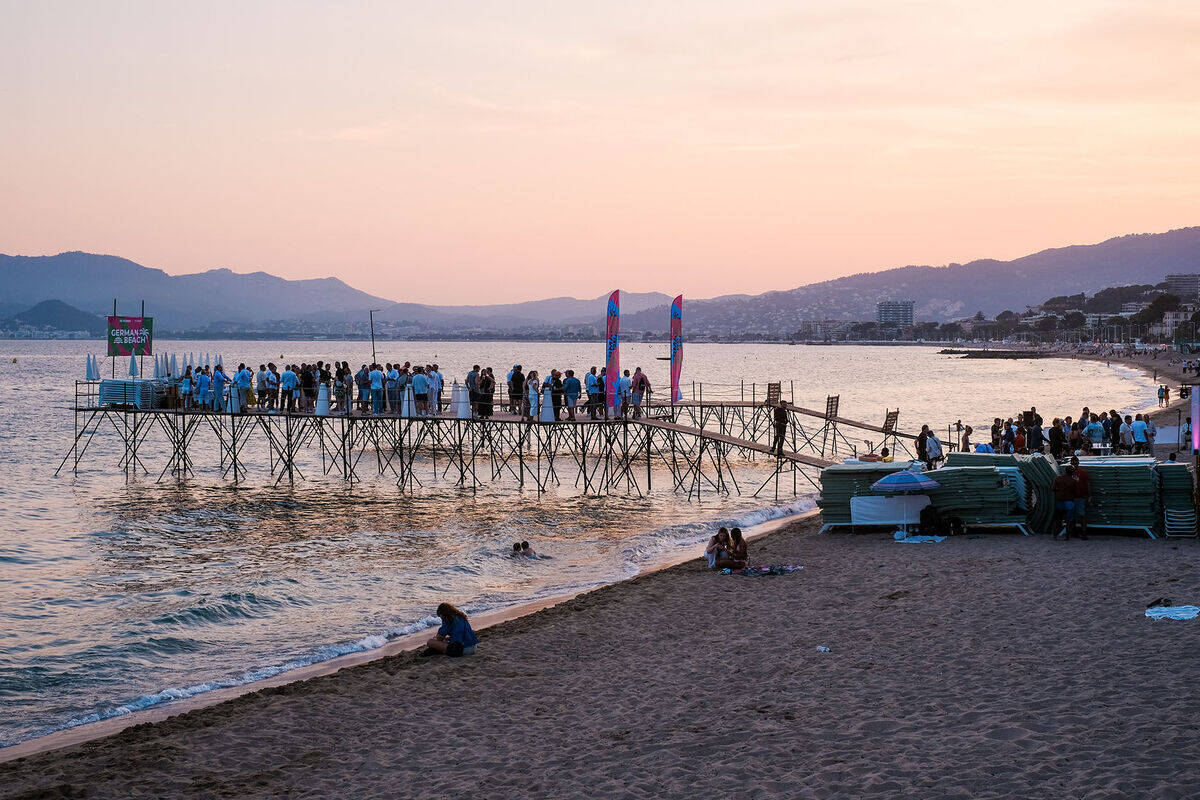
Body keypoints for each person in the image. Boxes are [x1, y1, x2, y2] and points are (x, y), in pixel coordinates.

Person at [1052, 465, 1078, 540]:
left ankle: (1055, 535)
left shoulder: (1058, 479)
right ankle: (1067, 535)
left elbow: (1053, 488)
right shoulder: (1073, 481)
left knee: (1057, 519)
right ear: (1072, 472)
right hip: (1069, 501)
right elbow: (1076, 492)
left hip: (1059, 501)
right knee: (1069, 520)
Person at [1070, 455, 1090, 540]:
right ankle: (1074, 531)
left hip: (1080, 497)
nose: (1074, 464)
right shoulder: (1069, 473)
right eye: (1073, 462)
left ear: (1078, 462)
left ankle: (1083, 532)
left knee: (1081, 515)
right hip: (1072, 497)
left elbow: (1088, 484)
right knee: (1073, 516)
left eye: (1075, 462)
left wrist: (1089, 495)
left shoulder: (1082, 473)